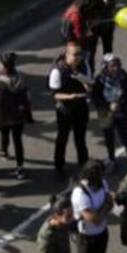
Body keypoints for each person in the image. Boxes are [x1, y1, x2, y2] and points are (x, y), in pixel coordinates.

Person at [50, 42, 91, 180]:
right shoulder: (58, 71)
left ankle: (84, 163)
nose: (78, 57)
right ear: (67, 54)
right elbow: (54, 94)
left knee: (81, 137)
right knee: (63, 137)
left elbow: (90, 84)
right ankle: (59, 165)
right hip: (65, 109)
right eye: (75, 54)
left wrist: (86, 84)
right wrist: (70, 97)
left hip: (81, 107)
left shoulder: (84, 66)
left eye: (80, 54)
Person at [92, 54, 127, 168]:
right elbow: (95, 97)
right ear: (106, 67)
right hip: (105, 113)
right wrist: (108, 105)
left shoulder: (124, 77)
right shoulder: (100, 80)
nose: (116, 68)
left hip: (121, 112)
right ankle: (111, 159)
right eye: (112, 66)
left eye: (117, 65)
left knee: (126, 136)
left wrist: (121, 103)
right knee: (109, 137)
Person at [0, 52, 31, 179]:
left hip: (5, 116)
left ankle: (5, 152)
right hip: (18, 115)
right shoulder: (20, 78)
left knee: (5, 134)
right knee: (18, 140)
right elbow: (26, 96)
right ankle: (20, 167)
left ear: (4, 67)